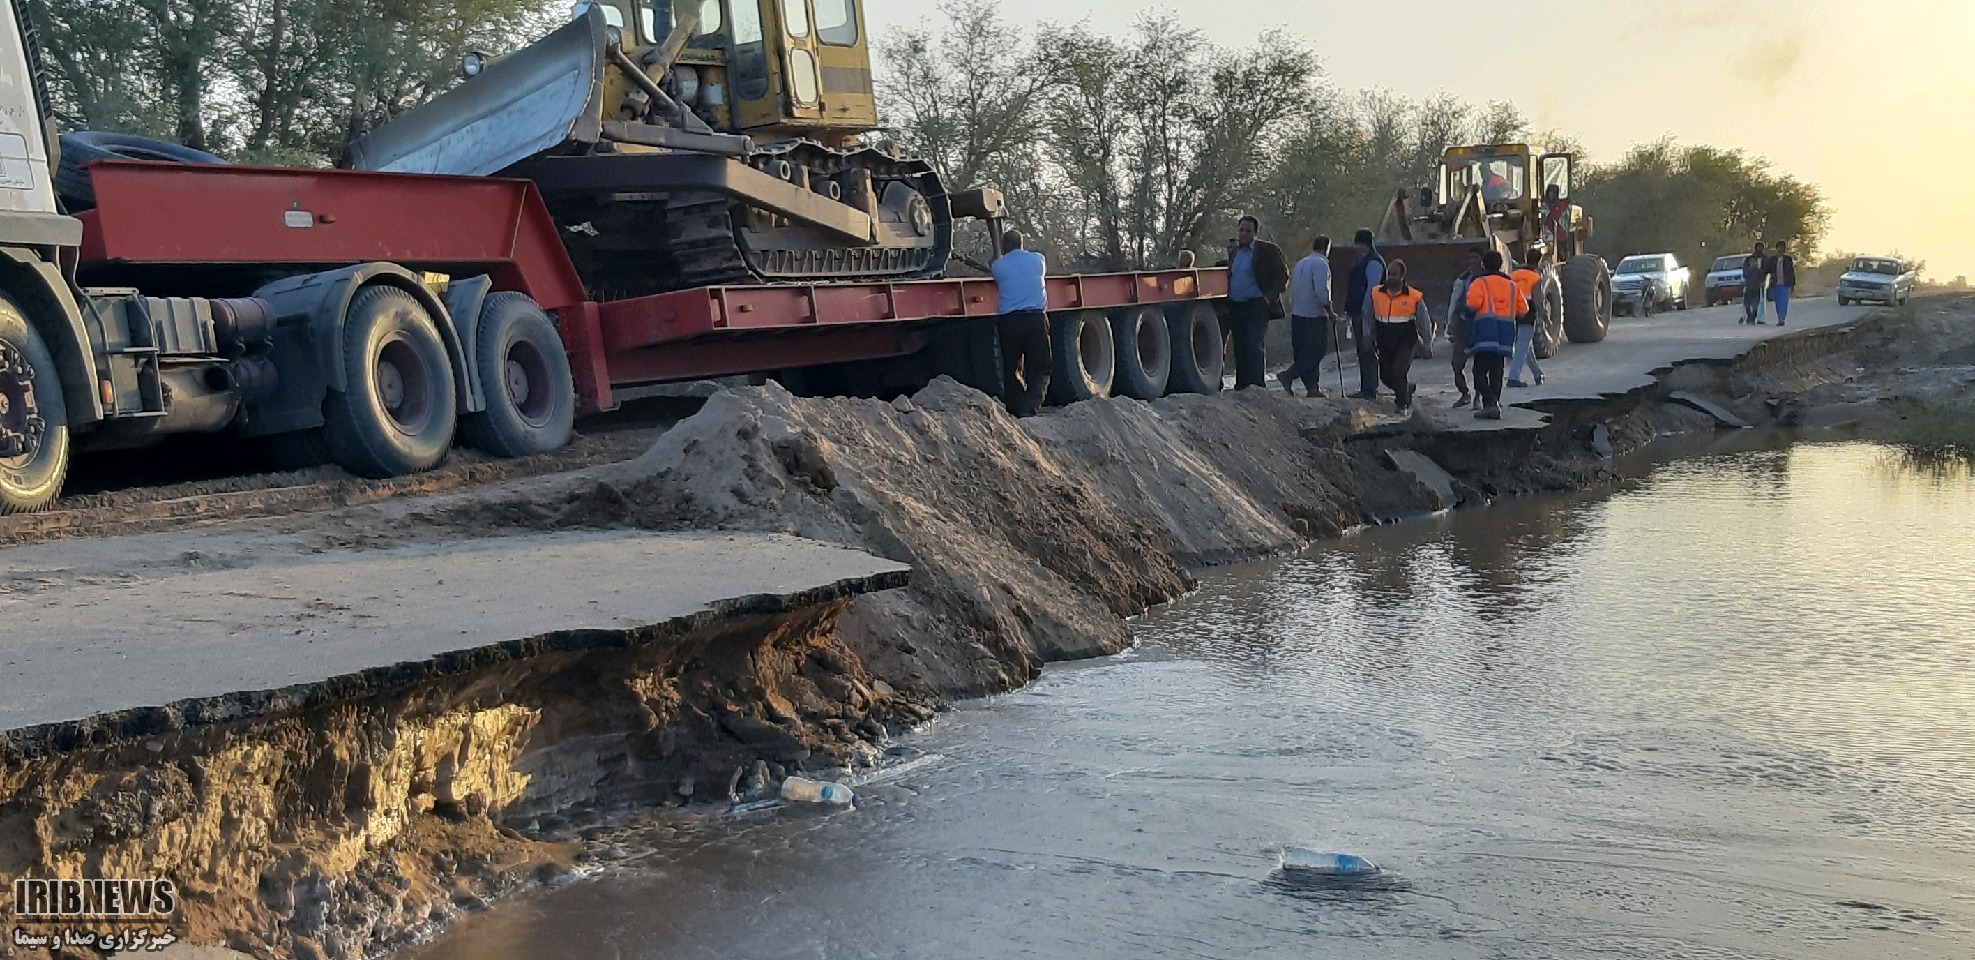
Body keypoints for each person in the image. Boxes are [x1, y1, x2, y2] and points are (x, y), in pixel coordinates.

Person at [1223, 215, 1289, 390]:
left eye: (1248, 231)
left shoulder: (1266, 250)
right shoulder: (1235, 252)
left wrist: (1269, 296)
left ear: (1255, 233)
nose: (1244, 234)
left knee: (1253, 344)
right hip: (1237, 305)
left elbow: (1283, 274)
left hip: (1256, 304)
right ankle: (1242, 385)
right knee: (1240, 346)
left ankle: (1256, 386)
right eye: (1241, 230)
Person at [989, 229, 1050, 417]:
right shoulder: (1038, 260)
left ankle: (1015, 408)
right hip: (1035, 319)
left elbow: (994, 268)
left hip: (1009, 322)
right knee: (1041, 366)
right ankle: (1030, 406)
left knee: (1011, 366)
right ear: (1022, 243)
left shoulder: (999, 266)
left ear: (1004, 246)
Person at [1465, 249, 1525, 420]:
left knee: (1479, 372)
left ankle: (1490, 403)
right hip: (1505, 334)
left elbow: (1473, 305)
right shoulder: (1512, 285)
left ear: (1484, 264)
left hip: (1485, 332)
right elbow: (1523, 310)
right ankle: (1495, 404)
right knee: (1497, 370)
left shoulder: (1479, 282)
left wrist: (1465, 315)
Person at [1370, 259, 1433, 413]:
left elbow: (1424, 321)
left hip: (1406, 342)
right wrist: (1367, 335)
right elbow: (1368, 315)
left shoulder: (1413, 296)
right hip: (1384, 342)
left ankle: (1402, 404)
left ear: (1402, 276)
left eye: (1394, 274)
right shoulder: (1376, 293)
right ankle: (1406, 389)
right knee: (1385, 377)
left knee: (1398, 373)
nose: (1390, 277)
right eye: (1388, 274)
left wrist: (1427, 344)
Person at [1277, 235, 1333, 397]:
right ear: (1326, 248)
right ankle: (1288, 375)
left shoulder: (1301, 263)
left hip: (1298, 313)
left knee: (1303, 351)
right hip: (1314, 314)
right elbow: (1322, 291)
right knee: (1317, 350)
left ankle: (1312, 388)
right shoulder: (1322, 264)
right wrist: (1329, 310)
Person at [1344, 228, 1385, 399]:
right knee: (1362, 350)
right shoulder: (1364, 261)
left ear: (1362, 244)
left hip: (1367, 313)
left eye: (1357, 244)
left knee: (1368, 349)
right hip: (1359, 312)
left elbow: (1372, 291)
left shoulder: (1373, 263)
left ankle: (1370, 388)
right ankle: (1366, 386)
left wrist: (1365, 312)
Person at [1445, 248, 1485, 407]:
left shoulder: (1486, 278)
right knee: (1456, 364)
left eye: (1475, 258)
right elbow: (1454, 302)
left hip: (1480, 325)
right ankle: (1464, 393)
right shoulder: (1463, 279)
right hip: (1463, 325)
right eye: (1470, 258)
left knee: (1480, 365)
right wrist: (1451, 323)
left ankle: (1478, 396)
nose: (1472, 262)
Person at [1507, 251, 1547, 388]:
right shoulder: (1535, 278)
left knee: (1525, 346)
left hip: (1512, 313)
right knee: (1521, 347)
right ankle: (1513, 377)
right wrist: (1544, 316)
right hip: (1527, 313)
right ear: (1539, 262)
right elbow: (1538, 300)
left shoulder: (1512, 276)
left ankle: (1537, 374)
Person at [1767, 239, 1796, 326]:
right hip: (1775, 284)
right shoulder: (1772, 260)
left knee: (1783, 302)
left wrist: (1792, 284)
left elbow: (1791, 272)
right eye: (1779, 247)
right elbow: (1768, 270)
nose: (1780, 249)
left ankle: (1781, 319)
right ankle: (1779, 317)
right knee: (1777, 303)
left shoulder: (1788, 259)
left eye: (1782, 247)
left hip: (1785, 284)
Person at [1740, 241, 1768, 325]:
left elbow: (1766, 271)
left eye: (1761, 248)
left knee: (1759, 302)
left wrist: (1763, 280)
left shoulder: (1765, 259)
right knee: (1747, 303)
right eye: (1758, 247)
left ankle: (1759, 318)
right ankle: (1748, 316)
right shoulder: (1749, 259)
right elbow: (1745, 273)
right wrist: (1750, 269)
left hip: (1759, 284)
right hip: (1749, 285)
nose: (1759, 249)